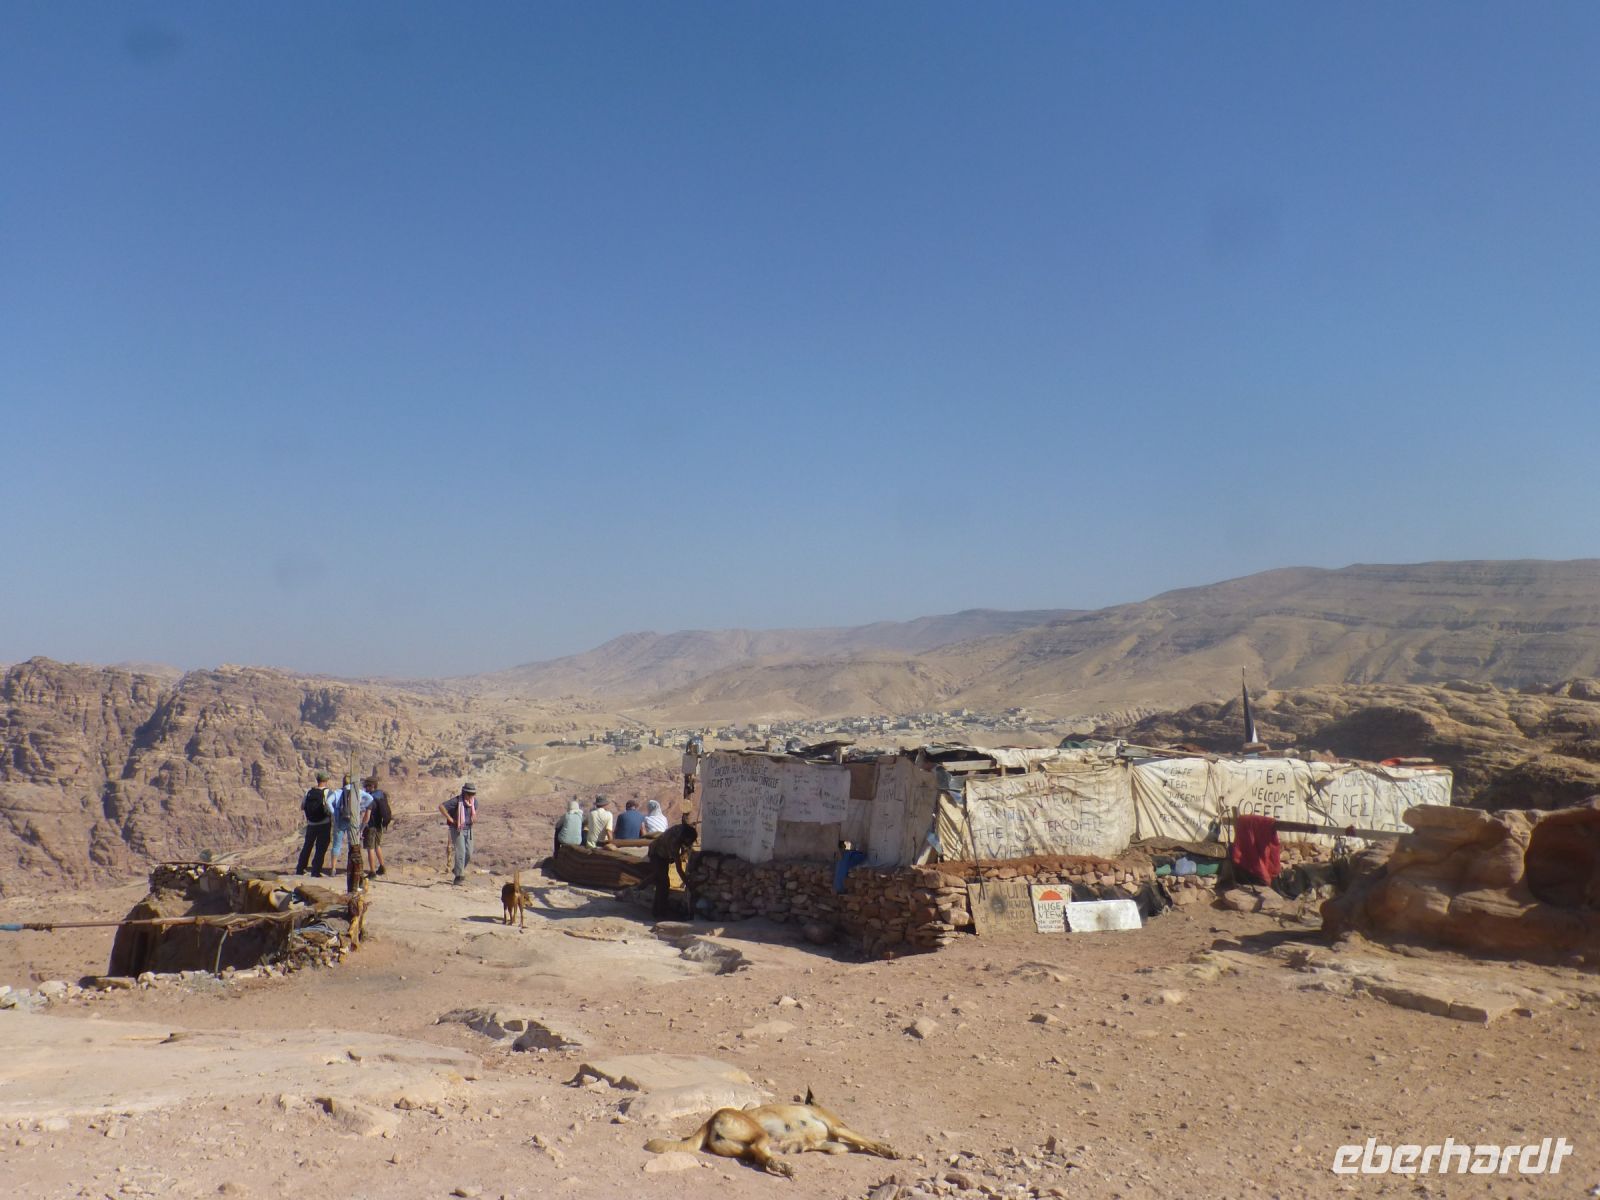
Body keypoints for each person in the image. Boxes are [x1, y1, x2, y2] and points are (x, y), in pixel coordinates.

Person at [648, 816, 698, 919]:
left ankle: (657, 911)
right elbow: (678, 869)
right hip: (656, 854)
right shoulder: (674, 842)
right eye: (689, 842)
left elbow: (687, 847)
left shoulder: (683, 830)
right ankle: (659, 913)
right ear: (686, 838)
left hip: (664, 853)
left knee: (660, 880)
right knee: (664, 883)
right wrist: (688, 884)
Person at [328, 775, 375, 874]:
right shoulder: (358, 792)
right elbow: (370, 798)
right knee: (353, 844)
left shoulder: (338, 792)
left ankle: (333, 868)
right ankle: (352, 868)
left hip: (340, 820)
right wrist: (360, 808)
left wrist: (334, 813)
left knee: (337, 845)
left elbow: (328, 802)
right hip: (353, 820)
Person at [295, 770, 333, 876]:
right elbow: (331, 808)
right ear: (326, 780)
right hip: (324, 823)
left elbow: (302, 806)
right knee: (321, 848)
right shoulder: (328, 792)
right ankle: (315, 871)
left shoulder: (309, 792)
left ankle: (300, 869)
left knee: (307, 846)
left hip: (311, 824)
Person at [439, 781, 477, 884]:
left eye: (473, 794)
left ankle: (457, 869)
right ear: (464, 792)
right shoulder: (456, 801)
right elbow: (441, 807)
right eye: (470, 794)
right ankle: (459, 877)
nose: (471, 796)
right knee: (461, 852)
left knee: (469, 852)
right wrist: (451, 819)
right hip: (457, 829)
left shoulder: (474, 802)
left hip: (469, 829)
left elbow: (473, 813)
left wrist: (473, 818)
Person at [362, 774, 392, 877]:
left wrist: (362, 827)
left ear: (371, 786)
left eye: (366, 786)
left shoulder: (370, 798)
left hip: (371, 826)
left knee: (370, 848)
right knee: (377, 846)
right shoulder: (381, 795)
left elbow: (367, 816)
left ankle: (372, 871)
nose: (365, 788)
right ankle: (382, 867)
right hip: (380, 825)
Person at [681, 734, 705, 800]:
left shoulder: (690, 756)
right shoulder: (689, 756)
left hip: (690, 773)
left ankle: (690, 788)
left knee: (690, 779)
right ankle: (689, 788)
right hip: (689, 774)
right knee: (689, 780)